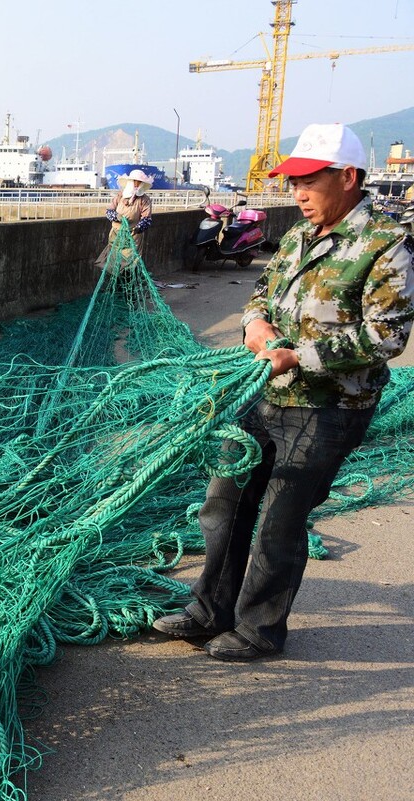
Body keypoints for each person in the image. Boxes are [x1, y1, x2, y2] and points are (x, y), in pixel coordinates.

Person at [152, 122, 414, 660]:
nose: (296, 194)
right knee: (222, 505)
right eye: (292, 182)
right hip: (263, 396)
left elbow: (387, 336)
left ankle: (258, 630)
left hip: (327, 407)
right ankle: (208, 611)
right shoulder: (297, 236)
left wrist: (301, 356)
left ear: (347, 177)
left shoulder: (385, 246)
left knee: (281, 519)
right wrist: (255, 326)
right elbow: (262, 292)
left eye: (307, 182)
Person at [98, 168, 153, 268]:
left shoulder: (144, 200)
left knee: (131, 262)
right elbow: (109, 211)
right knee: (114, 259)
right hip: (116, 233)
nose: (136, 184)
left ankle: (129, 280)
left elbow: (147, 218)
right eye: (135, 181)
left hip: (133, 235)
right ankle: (116, 281)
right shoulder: (120, 195)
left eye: (139, 182)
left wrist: (139, 228)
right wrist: (116, 217)